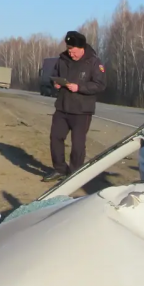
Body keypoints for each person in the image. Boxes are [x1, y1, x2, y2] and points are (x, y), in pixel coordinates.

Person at [43, 31, 107, 181]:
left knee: (78, 144)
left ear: (82, 47)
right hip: (62, 107)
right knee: (55, 138)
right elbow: (54, 75)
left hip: (82, 111)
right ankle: (59, 169)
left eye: (74, 51)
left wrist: (79, 87)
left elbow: (100, 85)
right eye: (69, 50)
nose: (71, 54)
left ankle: (74, 174)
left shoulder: (94, 62)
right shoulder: (62, 59)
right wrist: (55, 84)